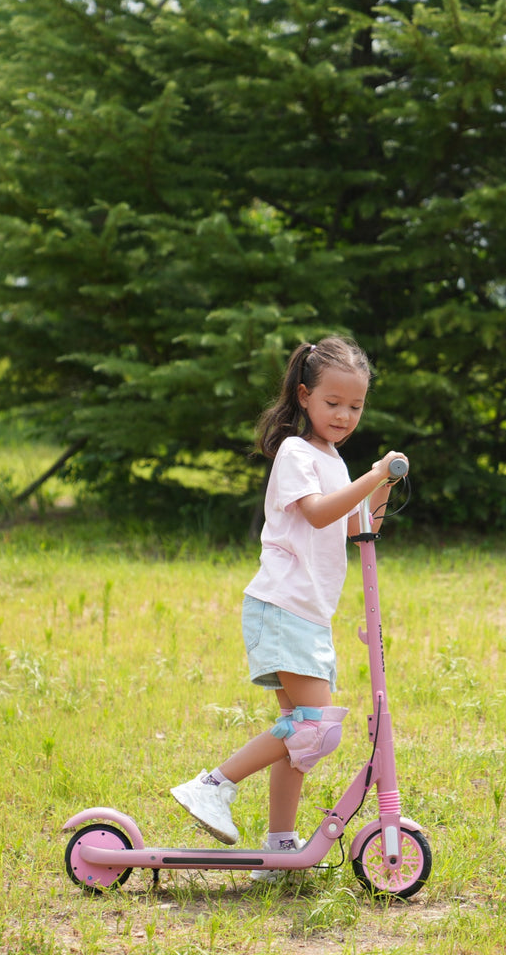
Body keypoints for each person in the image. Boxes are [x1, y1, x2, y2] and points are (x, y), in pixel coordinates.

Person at [171, 336, 406, 879]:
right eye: (333, 403)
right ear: (304, 396)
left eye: (355, 406)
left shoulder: (335, 459)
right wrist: (374, 474)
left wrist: (383, 486)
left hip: (307, 613)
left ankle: (279, 847)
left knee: (298, 734)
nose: (344, 415)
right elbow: (319, 513)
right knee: (316, 729)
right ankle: (212, 785)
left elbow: (358, 526)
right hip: (283, 607)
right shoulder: (297, 454)